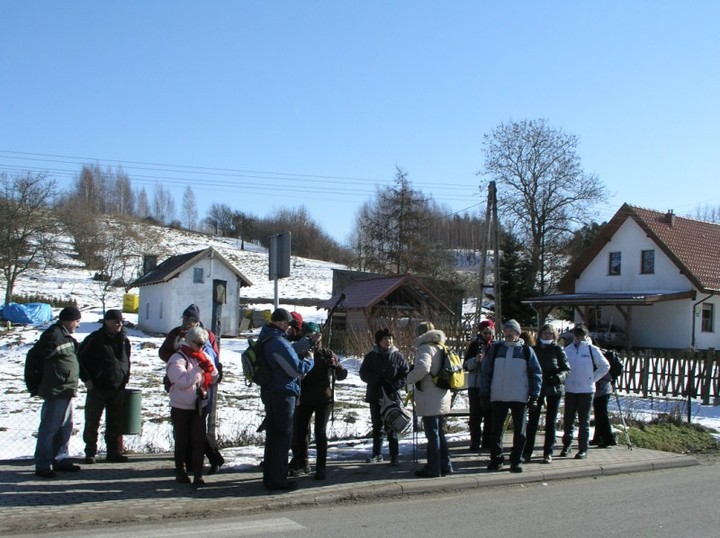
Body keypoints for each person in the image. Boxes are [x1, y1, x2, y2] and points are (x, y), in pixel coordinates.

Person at [159, 304, 224, 474]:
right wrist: (176, 360)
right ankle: (188, 464)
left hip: (201, 387)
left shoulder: (205, 335)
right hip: (180, 384)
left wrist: (200, 366)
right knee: (184, 430)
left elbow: (213, 359)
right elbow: (163, 352)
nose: (187, 322)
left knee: (197, 430)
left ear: (197, 321)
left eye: (191, 319)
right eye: (185, 318)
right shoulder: (176, 333)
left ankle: (210, 459)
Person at [259, 308, 314, 491]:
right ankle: (278, 480)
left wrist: (305, 343)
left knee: (273, 437)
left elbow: (288, 353)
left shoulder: (267, 337)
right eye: (288, 325)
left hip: (271, 391)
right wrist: (310, 360)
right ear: (282, 323)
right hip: (282, 393)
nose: (289, 329)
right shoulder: (277, 342)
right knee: (282, 438)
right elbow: (296, 369)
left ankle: (270, 477)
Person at [479, 319, 542, 473]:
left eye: (511, 331)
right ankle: (496, 459)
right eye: (506, 330)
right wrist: (484, 393)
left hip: (519, 397)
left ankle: (516, 461)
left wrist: (534, 396)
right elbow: (486, 372)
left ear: (518, 333)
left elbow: (536, 374)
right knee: (496, 431)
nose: (508, 333)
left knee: (520, 432)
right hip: (498, 396)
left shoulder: (526, 351)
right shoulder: (496, 349)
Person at [289, 321, 348, 480]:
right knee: (300, 432)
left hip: (323, 398)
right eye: (308, 335)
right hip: (305, 398)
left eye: (313, 335)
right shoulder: (299, 352)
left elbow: (343, 375)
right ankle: (302, 463)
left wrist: (335, 366)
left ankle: (321, 467)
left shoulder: (326, 353)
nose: (312, 339)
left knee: (320, 432)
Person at [32, 306, 83, 478]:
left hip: (66, 390)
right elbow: (35, 359)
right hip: (56, 390)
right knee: (49, 428)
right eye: (77, 321)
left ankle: (60, 459)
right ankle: (43, 463)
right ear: (68, 320)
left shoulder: (65, 336)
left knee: (65, 427)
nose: (78, 325)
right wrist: (38, 384)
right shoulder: (53, 336)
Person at [166, 326, 219, 487]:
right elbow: (183, 382)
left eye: (204, 344)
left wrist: (208, 368)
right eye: (198, 344)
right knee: (181, 441)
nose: (201, 347)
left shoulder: (202, 356)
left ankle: (198, 474)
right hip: (181, 406)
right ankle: (180, 471)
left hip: (198, 406)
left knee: (198, 441)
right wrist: (198, 369)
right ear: (189, 342)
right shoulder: (177, 359)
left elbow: (215, 375)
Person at [78, 309, 131, 464]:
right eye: (116, 321)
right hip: (97, 387)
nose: (119, 324)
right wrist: (86, 379)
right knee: (93, 420)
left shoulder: (124, 340)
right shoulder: (94, 339)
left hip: (118, 387)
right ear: (106, 322)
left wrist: (125, 377)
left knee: (115, 421)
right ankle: (90, 451)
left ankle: (113, 452)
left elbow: (126, 360)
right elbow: (79, 359)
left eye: (121, 321)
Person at [407, 322, 453, 478]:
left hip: (429, 396)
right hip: (442, 394)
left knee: (432, 433)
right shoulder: (441, 346)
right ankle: (445, 465)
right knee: (439, 432)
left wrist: (408, 378)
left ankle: (433, 468)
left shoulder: (425, 348)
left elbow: (423, 368)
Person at [359, 328, 409, 465]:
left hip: (392, 396)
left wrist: (395, 384)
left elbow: (405, 374)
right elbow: (363, 373)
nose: (389, 341)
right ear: (379, 341)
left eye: (390, 338)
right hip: (375, 395)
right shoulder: (371, 356)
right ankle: (377, 454)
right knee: (377, 425)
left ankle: (394, 456)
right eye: (385, 339)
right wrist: (377, 380)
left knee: (393, 425)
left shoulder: (398, 356)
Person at [561, 324, 610, 459]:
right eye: (577, 336)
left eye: (582, 336)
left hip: (586, 390)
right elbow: (563, 367)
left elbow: (605, 366)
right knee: (568, 419)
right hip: (571, 389)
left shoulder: (591, 350)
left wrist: (592, 379)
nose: (579, 339)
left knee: (584, 421)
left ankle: (583, 448)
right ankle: (567, 445)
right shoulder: (567, 350)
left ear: (586, 336)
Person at [524, 324, 571, 464]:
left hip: (553, 388)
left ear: (554, 335)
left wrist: (558, 377)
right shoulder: (533, 349)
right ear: (540, 334)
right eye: (545, 333)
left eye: (550, 333)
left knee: (551, 422)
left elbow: (566, 369)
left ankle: (548, 452)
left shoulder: (557, 349)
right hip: (537, 388)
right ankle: (527, 451)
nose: (547, 335)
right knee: (532, 420)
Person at [463, 320, 495, 451]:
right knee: (475, 415)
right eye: (485, 332)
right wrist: (475, 360)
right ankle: (475, 441)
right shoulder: (475, 345)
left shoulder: (496, 345)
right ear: (480, 332)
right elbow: (465, 365)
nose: (487, 335)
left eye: (490, 332)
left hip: (491, 385)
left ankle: (487, 441)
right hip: (476, 384)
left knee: (490, 415)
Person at [590, 347, 617, 448]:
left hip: (602, 388)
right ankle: (598, 438)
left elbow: (603, 371)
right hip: (604, 388)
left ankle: (609, 438)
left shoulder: (596, 355)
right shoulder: (600, 353)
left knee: (601, 413)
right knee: (599, 413)